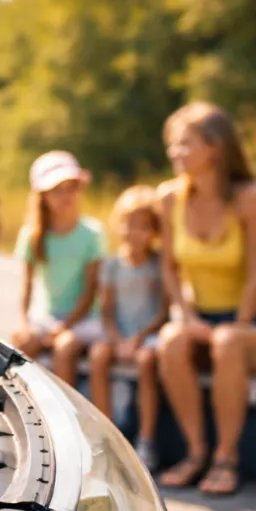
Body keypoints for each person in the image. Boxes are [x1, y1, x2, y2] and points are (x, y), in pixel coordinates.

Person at [154, 101, 256, 496]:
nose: (174, 153)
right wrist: (185, 316)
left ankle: (226, 458)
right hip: (202, 318)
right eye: (173, 145)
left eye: (185, 144)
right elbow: (169, 268)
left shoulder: (252, 197)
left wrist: (237, 325)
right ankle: (196, 454)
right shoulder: (168, 197)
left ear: (215, 148)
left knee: (229, 342)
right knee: (171, 339)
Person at [88, 185, 168, 472]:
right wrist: (117, 338)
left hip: (147, 334)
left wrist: (138, 338)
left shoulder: (158, 265)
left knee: (147, 361)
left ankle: (146, 440)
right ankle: (106, 436)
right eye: (129, 225)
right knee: (99, 355)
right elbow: (107, 311)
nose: (135, 233)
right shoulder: (111, 264)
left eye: (143, 227)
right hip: (118, 333)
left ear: (154, 231)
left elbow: (162, 312)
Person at [10, 151, 106, 388]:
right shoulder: (31, 235)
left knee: (64, 347)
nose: (66, 196)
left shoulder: (92, 233)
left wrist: (64, 326)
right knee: (19, 344)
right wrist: (24, 322)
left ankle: (66, 416)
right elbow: (27, 287)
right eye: (57, 189)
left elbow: (90, 291)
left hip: (84, 319)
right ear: (43, 196)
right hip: (46, 316)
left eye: (71, 188)